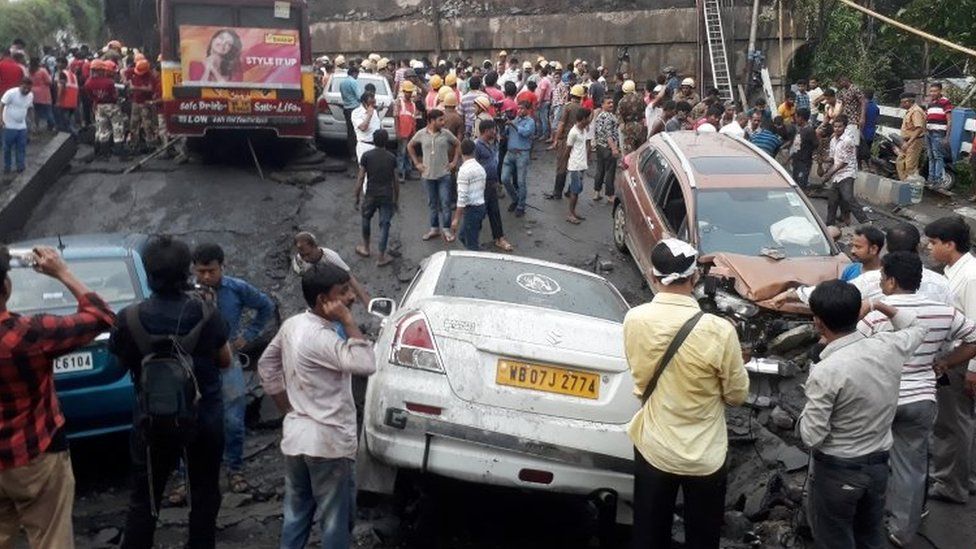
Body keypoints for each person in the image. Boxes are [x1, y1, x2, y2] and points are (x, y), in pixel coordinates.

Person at [625, 238, 749, 549]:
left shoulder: (634, 319)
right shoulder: (719, 331)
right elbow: (737, 396)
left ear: (654, 277)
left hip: (654, 447)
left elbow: (640, 378)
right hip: (705, 456)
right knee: (702, 538)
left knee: (649, 536)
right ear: (694, 279)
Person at [110, 236, 232, 549]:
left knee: (144, 498)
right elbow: (225, 360)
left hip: (152, 423)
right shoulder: (207, 313)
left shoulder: (129, 318)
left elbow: (119, 366)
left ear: (148, 274)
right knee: (204, 493)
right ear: (186, 273)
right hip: (204, 418)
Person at [856, 252, 976, 547]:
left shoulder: (875, 313)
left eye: (883, 277)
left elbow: (853, 350)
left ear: (892, 280)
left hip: (879, 398)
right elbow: (974, 339)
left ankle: (866, 521)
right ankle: (902, 530)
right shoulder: (944, 312)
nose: (881, 282)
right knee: (912, 466)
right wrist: (947, 361)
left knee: (868, 460)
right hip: (921, 399)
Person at [0, 246, 115, 548]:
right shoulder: (29, 334)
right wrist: (62, 272)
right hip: (34, 455)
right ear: (6, 287)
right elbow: (102, 315)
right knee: (52, 539)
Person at [799, 279, 925, 549]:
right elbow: (917, 326)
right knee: (870, 535)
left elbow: (812, 436)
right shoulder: (887, 346)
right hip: (879, 466)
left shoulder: (825, 370)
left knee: (835, 538)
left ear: (818, 322)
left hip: (837, 471)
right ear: (858, 313)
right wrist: (879, 305)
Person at [258, 263, 376, 549]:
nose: (350, 297)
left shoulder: (293, 325)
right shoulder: (322, 337)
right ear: (324, 300)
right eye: (343, 292)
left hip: (297, 439)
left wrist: (288, 408)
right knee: (336, 522)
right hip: (328, 445)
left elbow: (266, 366)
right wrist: (348, 322)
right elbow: (365, 364)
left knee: (296, 517)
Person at [191, 243, 274, 494]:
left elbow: (266, 307)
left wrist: (247, 336)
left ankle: (235, 469)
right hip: (194, 365)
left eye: (211, 271)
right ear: (193, 269)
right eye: (201, 271)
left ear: (222, 267)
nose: (206, 277)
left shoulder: (236, 289)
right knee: (192, 422)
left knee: (233, 421)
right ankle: (188, 478)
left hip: (228, 363)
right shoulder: (185, 293)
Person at [924, 216, 976, 504]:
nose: (929, 248)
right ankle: (963, 478)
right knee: (962, 421)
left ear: (950, 244)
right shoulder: (953, 269)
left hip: (961, 359)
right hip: (958, 357)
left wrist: (971, 370)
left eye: (933, 243)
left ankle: (951, 485)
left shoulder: (970, 276)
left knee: (951, 424)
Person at [409, 109, 461, 242]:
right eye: (440, 120)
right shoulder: (421, 134)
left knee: (445, 203)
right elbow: (410, 146)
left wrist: (454, 162)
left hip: (444, 175)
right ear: (432, 121)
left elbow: (458, 144)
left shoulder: (446, 133)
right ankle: (434, 229)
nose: (443, 122)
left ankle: (447, 229)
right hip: (427, 176)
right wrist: (417, 163)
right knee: (432, 203)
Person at [355, 129, 399, 266]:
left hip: (371, 193)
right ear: (386, 141)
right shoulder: (392, 158)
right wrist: (396, 200)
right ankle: (381, 256)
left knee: (366, 218)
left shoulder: (367, 156)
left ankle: (366, 248)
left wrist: (356, 195)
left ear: (373, 141)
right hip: (386, 195)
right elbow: (395, 181)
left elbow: (361, 177)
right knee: (384, 224)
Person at [291, 232, 370, 307]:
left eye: (308, 254)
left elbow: (349, 277)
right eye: (302, 255)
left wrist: (366, 301)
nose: (305, 258)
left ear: (315, 246)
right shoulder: (299, 262)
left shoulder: (331, 257)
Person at [473, 119, 513, 252]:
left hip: (492, 183)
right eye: (493, 130)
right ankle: (473, 241)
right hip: (481, 185)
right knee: (479, 213)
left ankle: (499, 238)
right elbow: (473, 166)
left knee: (494, 212)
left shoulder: (493, 143)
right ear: (486, 131)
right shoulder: (477, 146)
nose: (495, 132)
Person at [821, 115, 868, 227]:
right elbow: (833, 158)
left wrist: (829, 174)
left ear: (845, 127)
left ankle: (865, 221)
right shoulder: (833, 140)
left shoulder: (847, 141)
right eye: (835, 126)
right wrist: (823, 159)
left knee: (848, 197)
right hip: (837, 174)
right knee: (832, 201)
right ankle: (830, 225)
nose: (837, 129)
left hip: (847, 173)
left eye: (840, 127)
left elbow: (844, 162)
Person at [544, 83, 583, 200]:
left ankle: (557, 192)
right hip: (577, 140)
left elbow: (561, 124)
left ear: (572, 95)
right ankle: (571, 191)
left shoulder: (568, 107)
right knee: (575, 166)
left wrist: (556, 140)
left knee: (562, 166)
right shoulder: (583, 109)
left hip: (566, 139)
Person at [451, 139, 487, 250]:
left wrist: (456, 219)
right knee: (464, 236)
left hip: (472, 210)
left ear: (461, 152)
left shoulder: (464, 171)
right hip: (480, 207)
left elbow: (462, 197)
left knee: (471, 245)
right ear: (474, 151)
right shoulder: (480, 168)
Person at [500, 100, 535, 217]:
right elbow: (505, 135)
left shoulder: (530, 122)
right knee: (504, 179)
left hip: (522, 154)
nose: (519, 111)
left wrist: (512, 124)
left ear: (527, 110)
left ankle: (521, 205)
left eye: (522, 109)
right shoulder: (514, 120)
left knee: (521, 181)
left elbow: (525, 133)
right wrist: (503, 125)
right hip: (510, 153)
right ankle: (515, 199)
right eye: (518, 108)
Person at [84, 60, 124, 157]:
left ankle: (104, 152)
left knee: (103, 129)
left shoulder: (88, 83)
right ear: (101, 70)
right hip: (112, 106)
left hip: (99, 106)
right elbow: (114, 96)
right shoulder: (109, 82)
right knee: (117, 127)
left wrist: (97, 100)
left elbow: (90, 96)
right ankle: (119, 151)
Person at [0, 77, 33, 175]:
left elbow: (30, 108)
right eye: (24, 88)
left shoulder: (30, 95)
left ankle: (20, 167)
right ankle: (7, 167)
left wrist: (32, 122)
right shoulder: (11, 93)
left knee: (21, 147)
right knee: (7, 148)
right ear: (20, 85)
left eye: (29, 89)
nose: (26, 90)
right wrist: (1, 120)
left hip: (22, 126)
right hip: (9, 125)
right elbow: (1, 105)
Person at [565, 107, 591, 225]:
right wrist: (566, 164)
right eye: (588, 118)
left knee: (577, 190)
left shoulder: (584, 130)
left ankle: (573, 212)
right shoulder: (573, 132)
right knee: (575, 191)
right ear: (584, 119)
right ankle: (570, 214)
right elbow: (568, 149)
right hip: (575, 165)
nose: (590, 120)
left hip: (581, 165)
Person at [924, 83, 952, 187]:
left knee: (938, 156)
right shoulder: (931, 103)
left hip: (939, 133)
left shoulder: (945, 102)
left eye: (935, 91)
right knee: (930, 156)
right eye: (931, 91)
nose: (932, 93)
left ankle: (938, 180)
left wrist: (947, 137)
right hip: (929, 132)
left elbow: (949, 120)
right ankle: (931, 179)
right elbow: (927, 117)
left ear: (940, 91)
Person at [592, 96, 619, 202]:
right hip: (607, 147)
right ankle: (610, 195)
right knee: (610, 171)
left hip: (600, 146)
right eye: (608, 103)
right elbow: (609, 134)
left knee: (600, 169)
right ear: (602, 105)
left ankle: (596, 192)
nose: (611, 104)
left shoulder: (599, 116)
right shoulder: (608, 117)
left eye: (612, 102)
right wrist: (614, 148)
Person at [127, 59, 157, 153]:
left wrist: (135, 87)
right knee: (133, 124)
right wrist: (126, 81)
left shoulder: (151, 76)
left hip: (146, 103)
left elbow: (150, 89)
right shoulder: (135, 72)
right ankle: (134, 144)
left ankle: (150, 144)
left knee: (147, 124)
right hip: (136, 102)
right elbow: (123, 71)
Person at [896, 92, 926, 181]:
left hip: (914, 141)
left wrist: (909, 143)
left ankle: (909, 187)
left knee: (910, 166)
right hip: (907, 141)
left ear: (908, 102)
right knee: (900, 162)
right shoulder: (910, 111)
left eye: (902, 102)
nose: (901, 105)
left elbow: (919, 129)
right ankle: (904, 182)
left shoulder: (916, 111)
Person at [394, 80, 419, 179]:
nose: (409, 93)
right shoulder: (399, 102)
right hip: (402, 132)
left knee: (409, 153)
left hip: (410, 133)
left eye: (410, 92)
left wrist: (414, 132)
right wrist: (397, 132)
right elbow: (396, 117)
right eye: (407, 91)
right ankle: (401, 173)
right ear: (403, 91)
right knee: (401, 153)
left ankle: (408, 173)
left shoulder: (413, 104)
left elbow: (414, 120)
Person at [790, 107, 817, 188]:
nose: (795, 119)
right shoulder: (800, 130)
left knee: (801, 186)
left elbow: (816, 144)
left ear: (801, 118)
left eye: (796, 117)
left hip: (804, 163)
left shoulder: (809, 130)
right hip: (796, 162)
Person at [617, 80, 646, 154]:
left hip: (629, 127)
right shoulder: (641, 98)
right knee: (641, 150)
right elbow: (645, 110)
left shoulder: (622, 101)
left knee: (630, 151)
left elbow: (619, 115)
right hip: (640, 126)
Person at [340, 66, 362, 161]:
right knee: (358, 131)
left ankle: (351, 154)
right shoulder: (353, 82)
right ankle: (358, 153)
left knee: (350, 132)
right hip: (355, 108)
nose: (357, 76)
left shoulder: (342, 83)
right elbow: (359, 96)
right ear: (354, 73)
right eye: (357, 74)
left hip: (346, 108)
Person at [28, 58, 54, 133]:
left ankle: (36, 127)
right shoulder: (42, 71)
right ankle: (52, 126)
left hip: (33, 94)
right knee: (48, 111)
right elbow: (49, 81)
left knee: (36, 112)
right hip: (44, 94)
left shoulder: (29, 71)